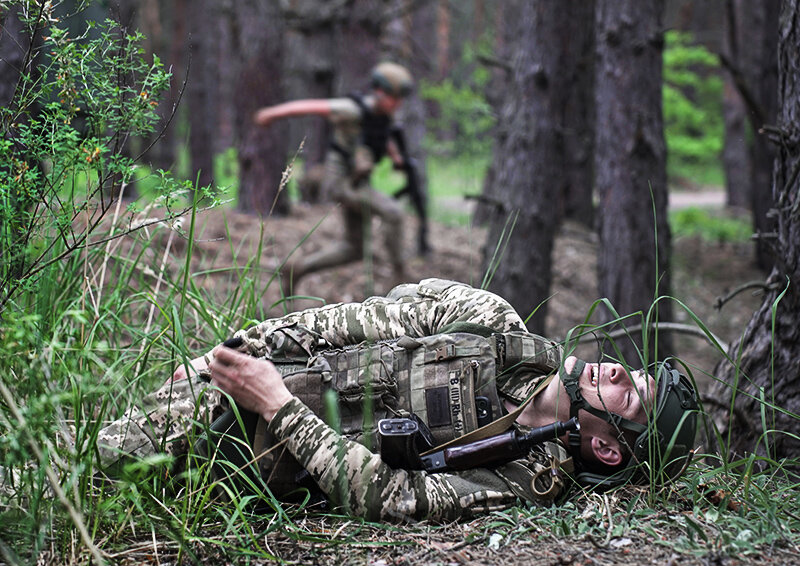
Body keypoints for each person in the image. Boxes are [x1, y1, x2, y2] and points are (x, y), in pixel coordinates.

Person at [97, 278, 699, 522]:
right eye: (631, 370)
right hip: (247, 378)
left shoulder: (522, 478)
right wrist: (231, 350)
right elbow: (352, 320)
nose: (619, 370)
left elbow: (389, 495)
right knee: (81, 452)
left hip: (248, 464)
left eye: (630, 391)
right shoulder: (494, 324)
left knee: (88, 467)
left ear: (607, 447)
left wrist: (276, 405)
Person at [254, 62, 414, 293]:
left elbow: (379, 136)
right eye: (395, 98)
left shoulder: (382, 116)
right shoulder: (352, 108)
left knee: (354, 249)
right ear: (379, 92)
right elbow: (310, 107)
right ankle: (400, 278)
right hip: (342, 184)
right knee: (394, 213)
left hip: (359, 184)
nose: (398, 104)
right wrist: (270, 114)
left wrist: (396, 157)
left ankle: (296, 269)